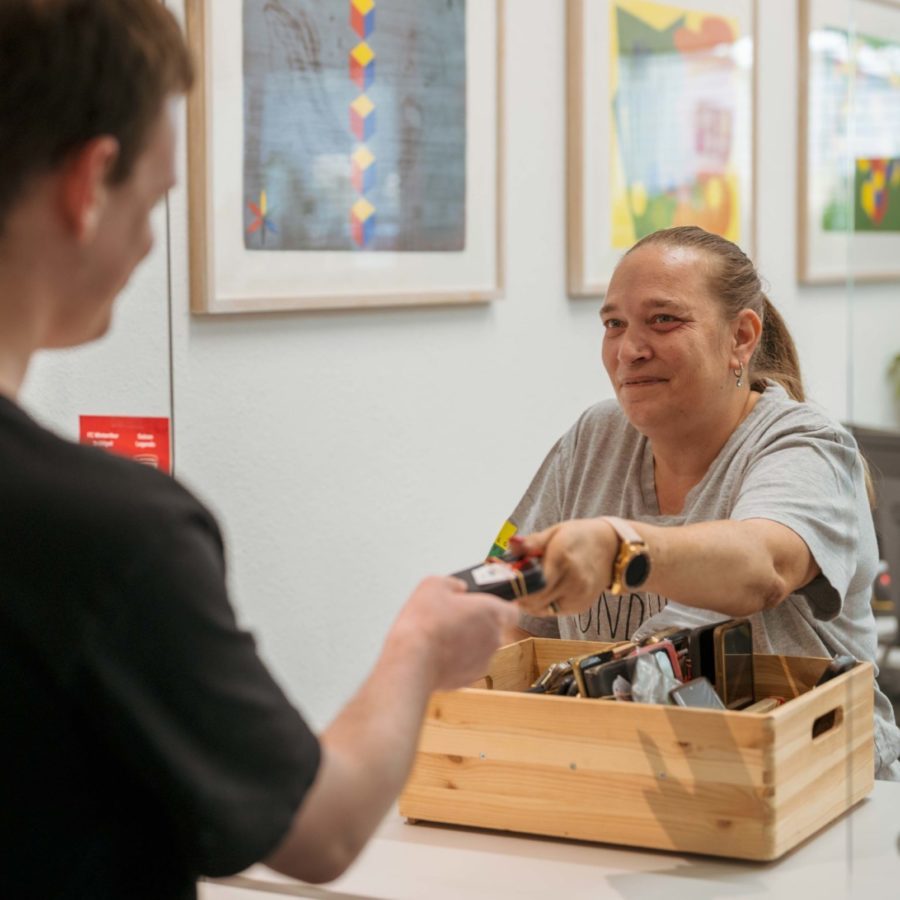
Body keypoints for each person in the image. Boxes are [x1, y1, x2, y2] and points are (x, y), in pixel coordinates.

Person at [0, 3, 516, 898]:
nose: (151, 243)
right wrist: (423, 645)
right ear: (91, 184)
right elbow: (319, 830)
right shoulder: (112, 536)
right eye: (156, 200)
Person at [500, 225, 900, 780]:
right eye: (614, 324)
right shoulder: (593, 439)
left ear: (741, 336)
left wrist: (621, 549)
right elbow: (514, 620)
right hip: (621, 780)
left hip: (820, 790)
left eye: (664, 320)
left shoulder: (808, 446)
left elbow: (763, 567)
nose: (630, 350)